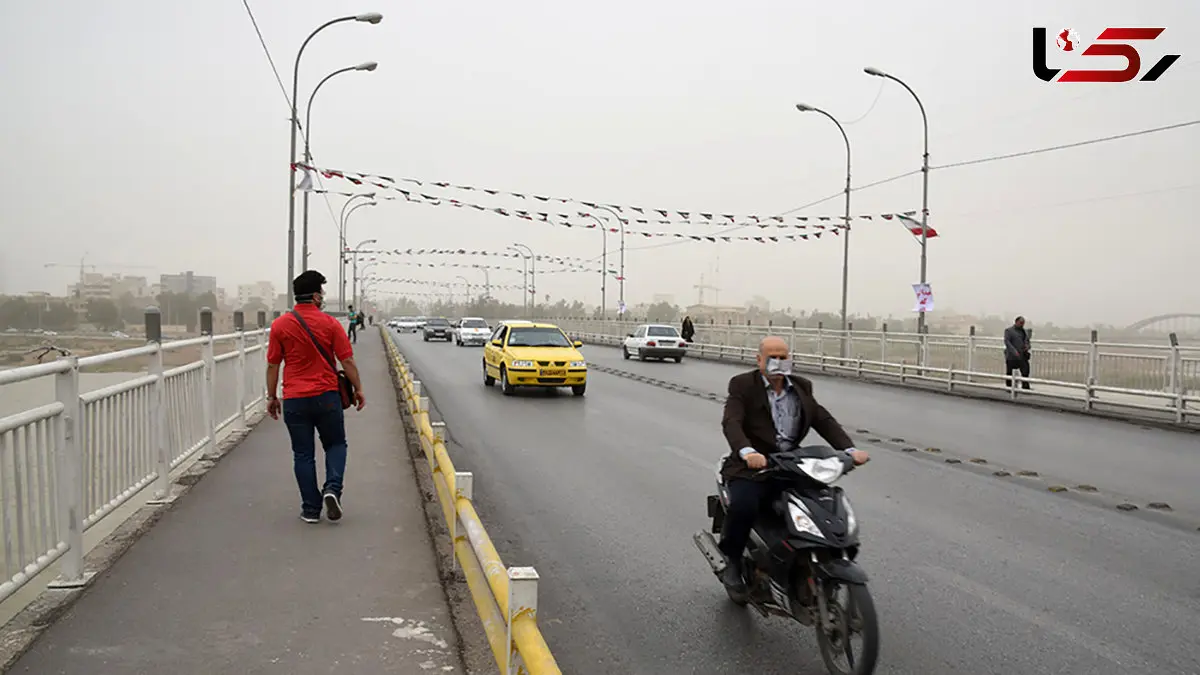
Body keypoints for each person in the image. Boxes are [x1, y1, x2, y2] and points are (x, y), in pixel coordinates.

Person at [718, 335, 869, 599]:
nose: (778, 361)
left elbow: (823, 419)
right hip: (754, 466)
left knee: (821, 505)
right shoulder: (743, 385)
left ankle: (807, 558)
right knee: (744, 505)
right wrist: (747, 451)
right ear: (759, 359)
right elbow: (732, 421)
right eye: (772, 356)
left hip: (793, 465)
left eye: (783, 356)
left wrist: (849, 450)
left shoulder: (801, 387)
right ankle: (731, 560)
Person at [266, 270, 366, 523]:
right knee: (336, 444)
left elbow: (273, 365)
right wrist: (359, 389)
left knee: (303, 454)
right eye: (321, 292)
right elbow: (347, 361)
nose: (322, 296)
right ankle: (332, 489)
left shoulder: (280, 325)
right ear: (314, 296)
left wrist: (271, 397)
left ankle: (311, 509)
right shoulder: (330, 324)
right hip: (327, 396)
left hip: (295, 399)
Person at [1004, 316, 1032, 390]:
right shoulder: (1009, 331)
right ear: (1016, 322)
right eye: (1020, 323)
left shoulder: (1024, 332)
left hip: (1022, 355)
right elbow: (1007, 342)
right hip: (1012, 356)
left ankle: (1025, 386)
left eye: (1023, 323)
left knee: (1025, 370)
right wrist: (1014, 351)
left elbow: (1027, 342)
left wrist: (1027, 346)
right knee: (1009, 372)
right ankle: (1009, 388)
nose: (1022, 324)